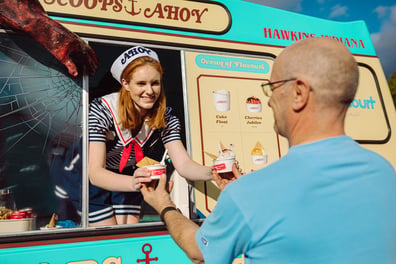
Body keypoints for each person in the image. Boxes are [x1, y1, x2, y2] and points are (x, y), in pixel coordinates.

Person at [141, 37, 396, 264]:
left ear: (299, 92)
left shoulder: (250, 194)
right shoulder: (383, 171)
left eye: (272, 87)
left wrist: (162, 203)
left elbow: (199, 251)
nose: (268, 99)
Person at [88, 46, 213, 226]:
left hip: (131, 173)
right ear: (125, 83)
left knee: (128, 231)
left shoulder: (166, 115)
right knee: (107, 235)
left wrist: (213, 173)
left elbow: (183, 164)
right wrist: (134, 182)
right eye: (141, 84)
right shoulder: (101, 109)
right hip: (96, 177)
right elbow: (95, 173)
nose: (150, 91)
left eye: (155, 83)